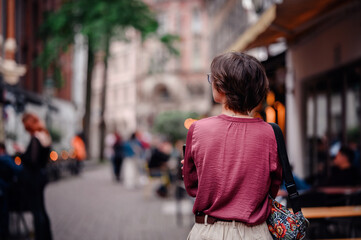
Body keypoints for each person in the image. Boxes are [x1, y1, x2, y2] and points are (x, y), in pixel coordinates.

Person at [182, 52, 282, 240]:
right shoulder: (271, 133)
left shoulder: (198, 129)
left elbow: (192, 187)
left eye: (212, 78)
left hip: (209, 231)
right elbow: (272, 188)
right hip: (256, 233)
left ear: (221, 88)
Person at [21, 113, 53, 240]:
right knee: (42, 208)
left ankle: (40, 236)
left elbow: (33, 160)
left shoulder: (35, 138)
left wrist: (22, 155)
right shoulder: (44, 136)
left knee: (37, 209)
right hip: (42, 175)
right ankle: (47, 235)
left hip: (34, 177)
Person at [0, 143, 22, 240]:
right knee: (4, 213)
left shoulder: (5, 159)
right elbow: (18, 169)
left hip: (3, 190)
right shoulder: (6, 158)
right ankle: (4, 234)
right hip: (3, 190)